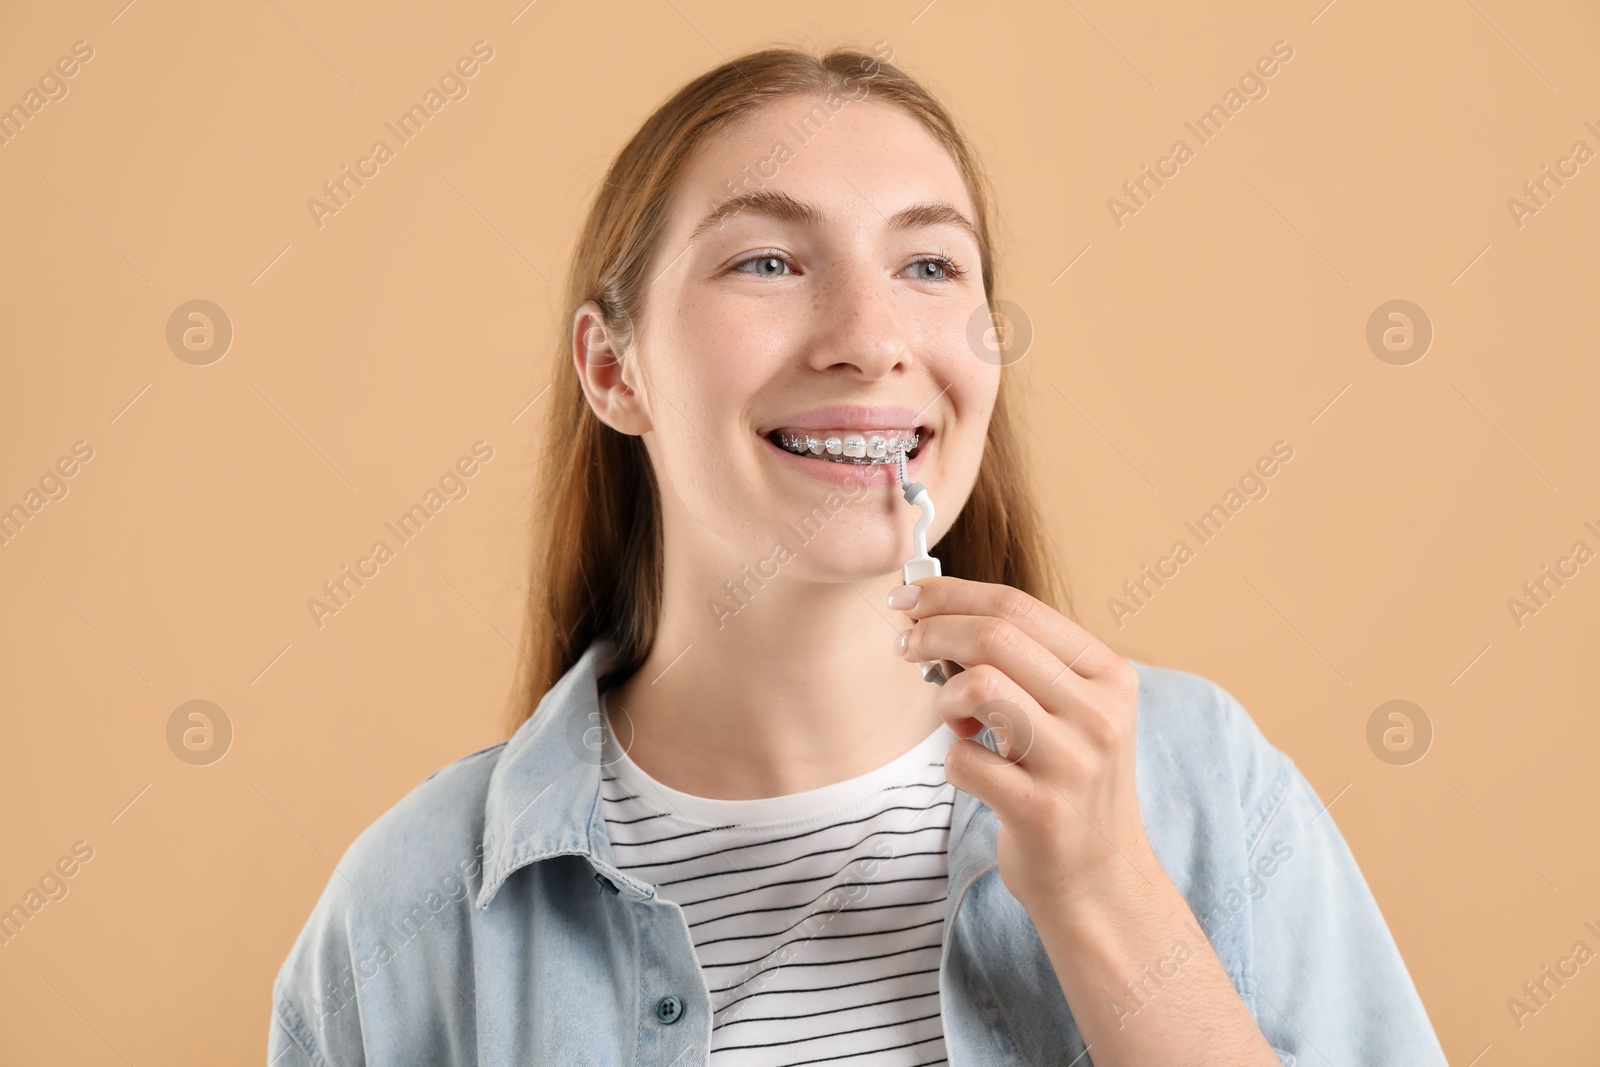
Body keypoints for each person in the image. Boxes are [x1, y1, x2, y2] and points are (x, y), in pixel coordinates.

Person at [268, 44, 1448, 1066]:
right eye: (768, 262)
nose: (870, 340)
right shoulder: (405, 913)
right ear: (613, 370)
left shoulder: (1206, 789)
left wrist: (1105, 899)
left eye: (928, 265)